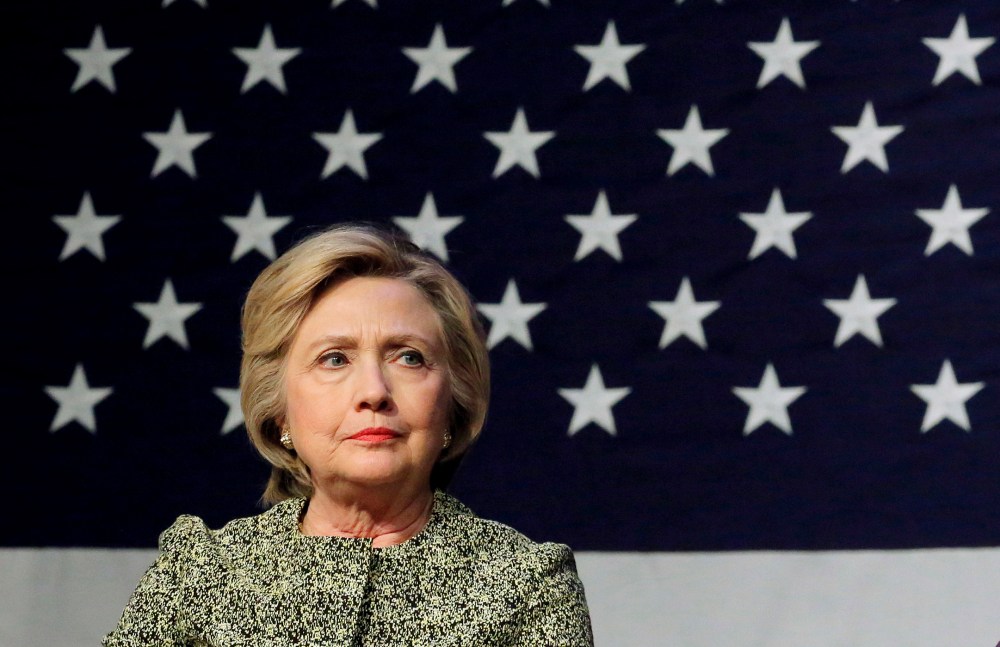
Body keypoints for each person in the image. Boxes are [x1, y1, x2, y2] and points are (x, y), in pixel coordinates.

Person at [103, 223, 594, 646]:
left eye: (409, 357)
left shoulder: (529, 586)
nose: (374, 392)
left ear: (454, 403)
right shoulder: (197, 574)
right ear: (278, 411)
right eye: (334, 359)